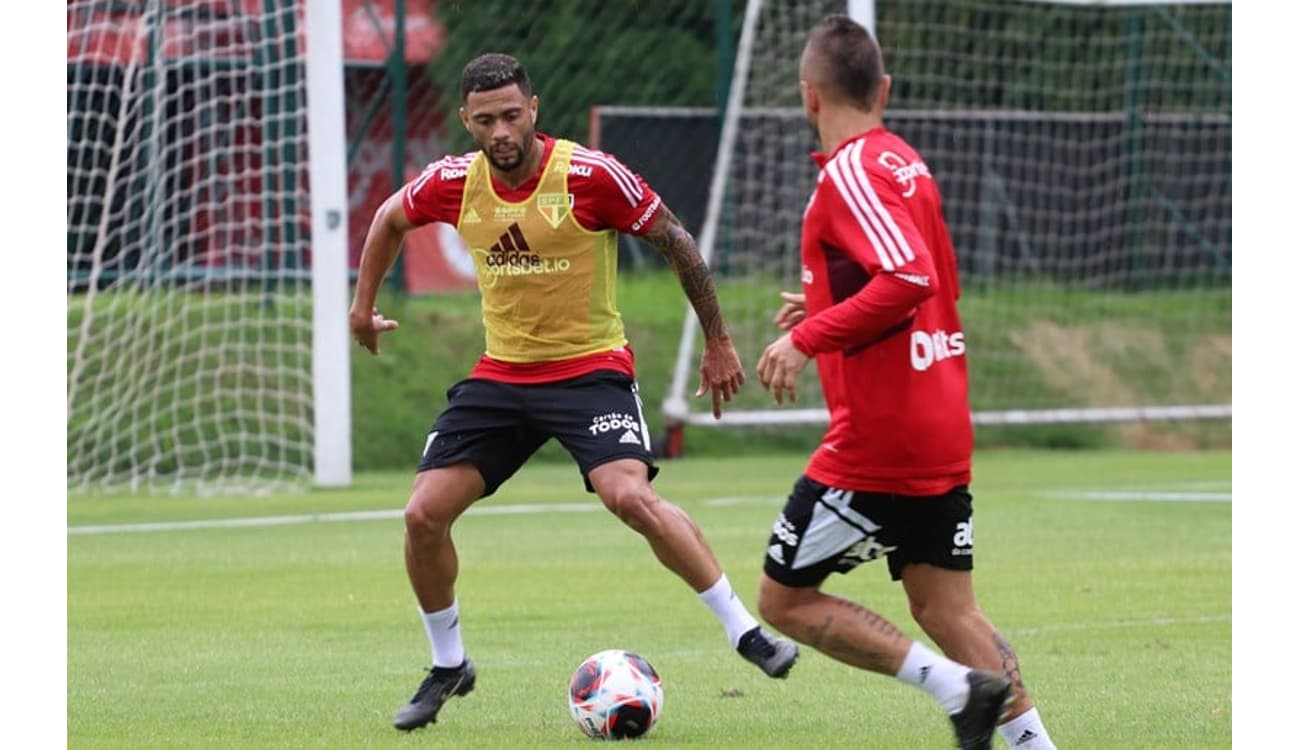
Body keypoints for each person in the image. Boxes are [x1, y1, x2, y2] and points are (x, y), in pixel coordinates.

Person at [349, 52, 798, 732]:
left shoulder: (590, 176)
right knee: (421, 516)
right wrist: (361, 308)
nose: (500, 131)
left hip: (589, 370)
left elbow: (675, 239)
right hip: (502, 375)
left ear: (533, 109)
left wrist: (718, 340)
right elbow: (387, 218)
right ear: (466, 122)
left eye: (510, 115)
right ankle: (449, 665)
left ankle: (744, 632)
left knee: (629, 496)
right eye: (484, 120)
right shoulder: (454, 182)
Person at [753, 15, 1058, 750]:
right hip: (940, 415)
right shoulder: (903, 162)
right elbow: (907, 280)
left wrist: (805, 337)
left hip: (881, 438)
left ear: (809, 96)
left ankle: (956, 689)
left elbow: (910, 277)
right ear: (883, 88)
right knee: (946, 608)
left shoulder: (851, 170)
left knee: (782, 601)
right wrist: (826, 303)